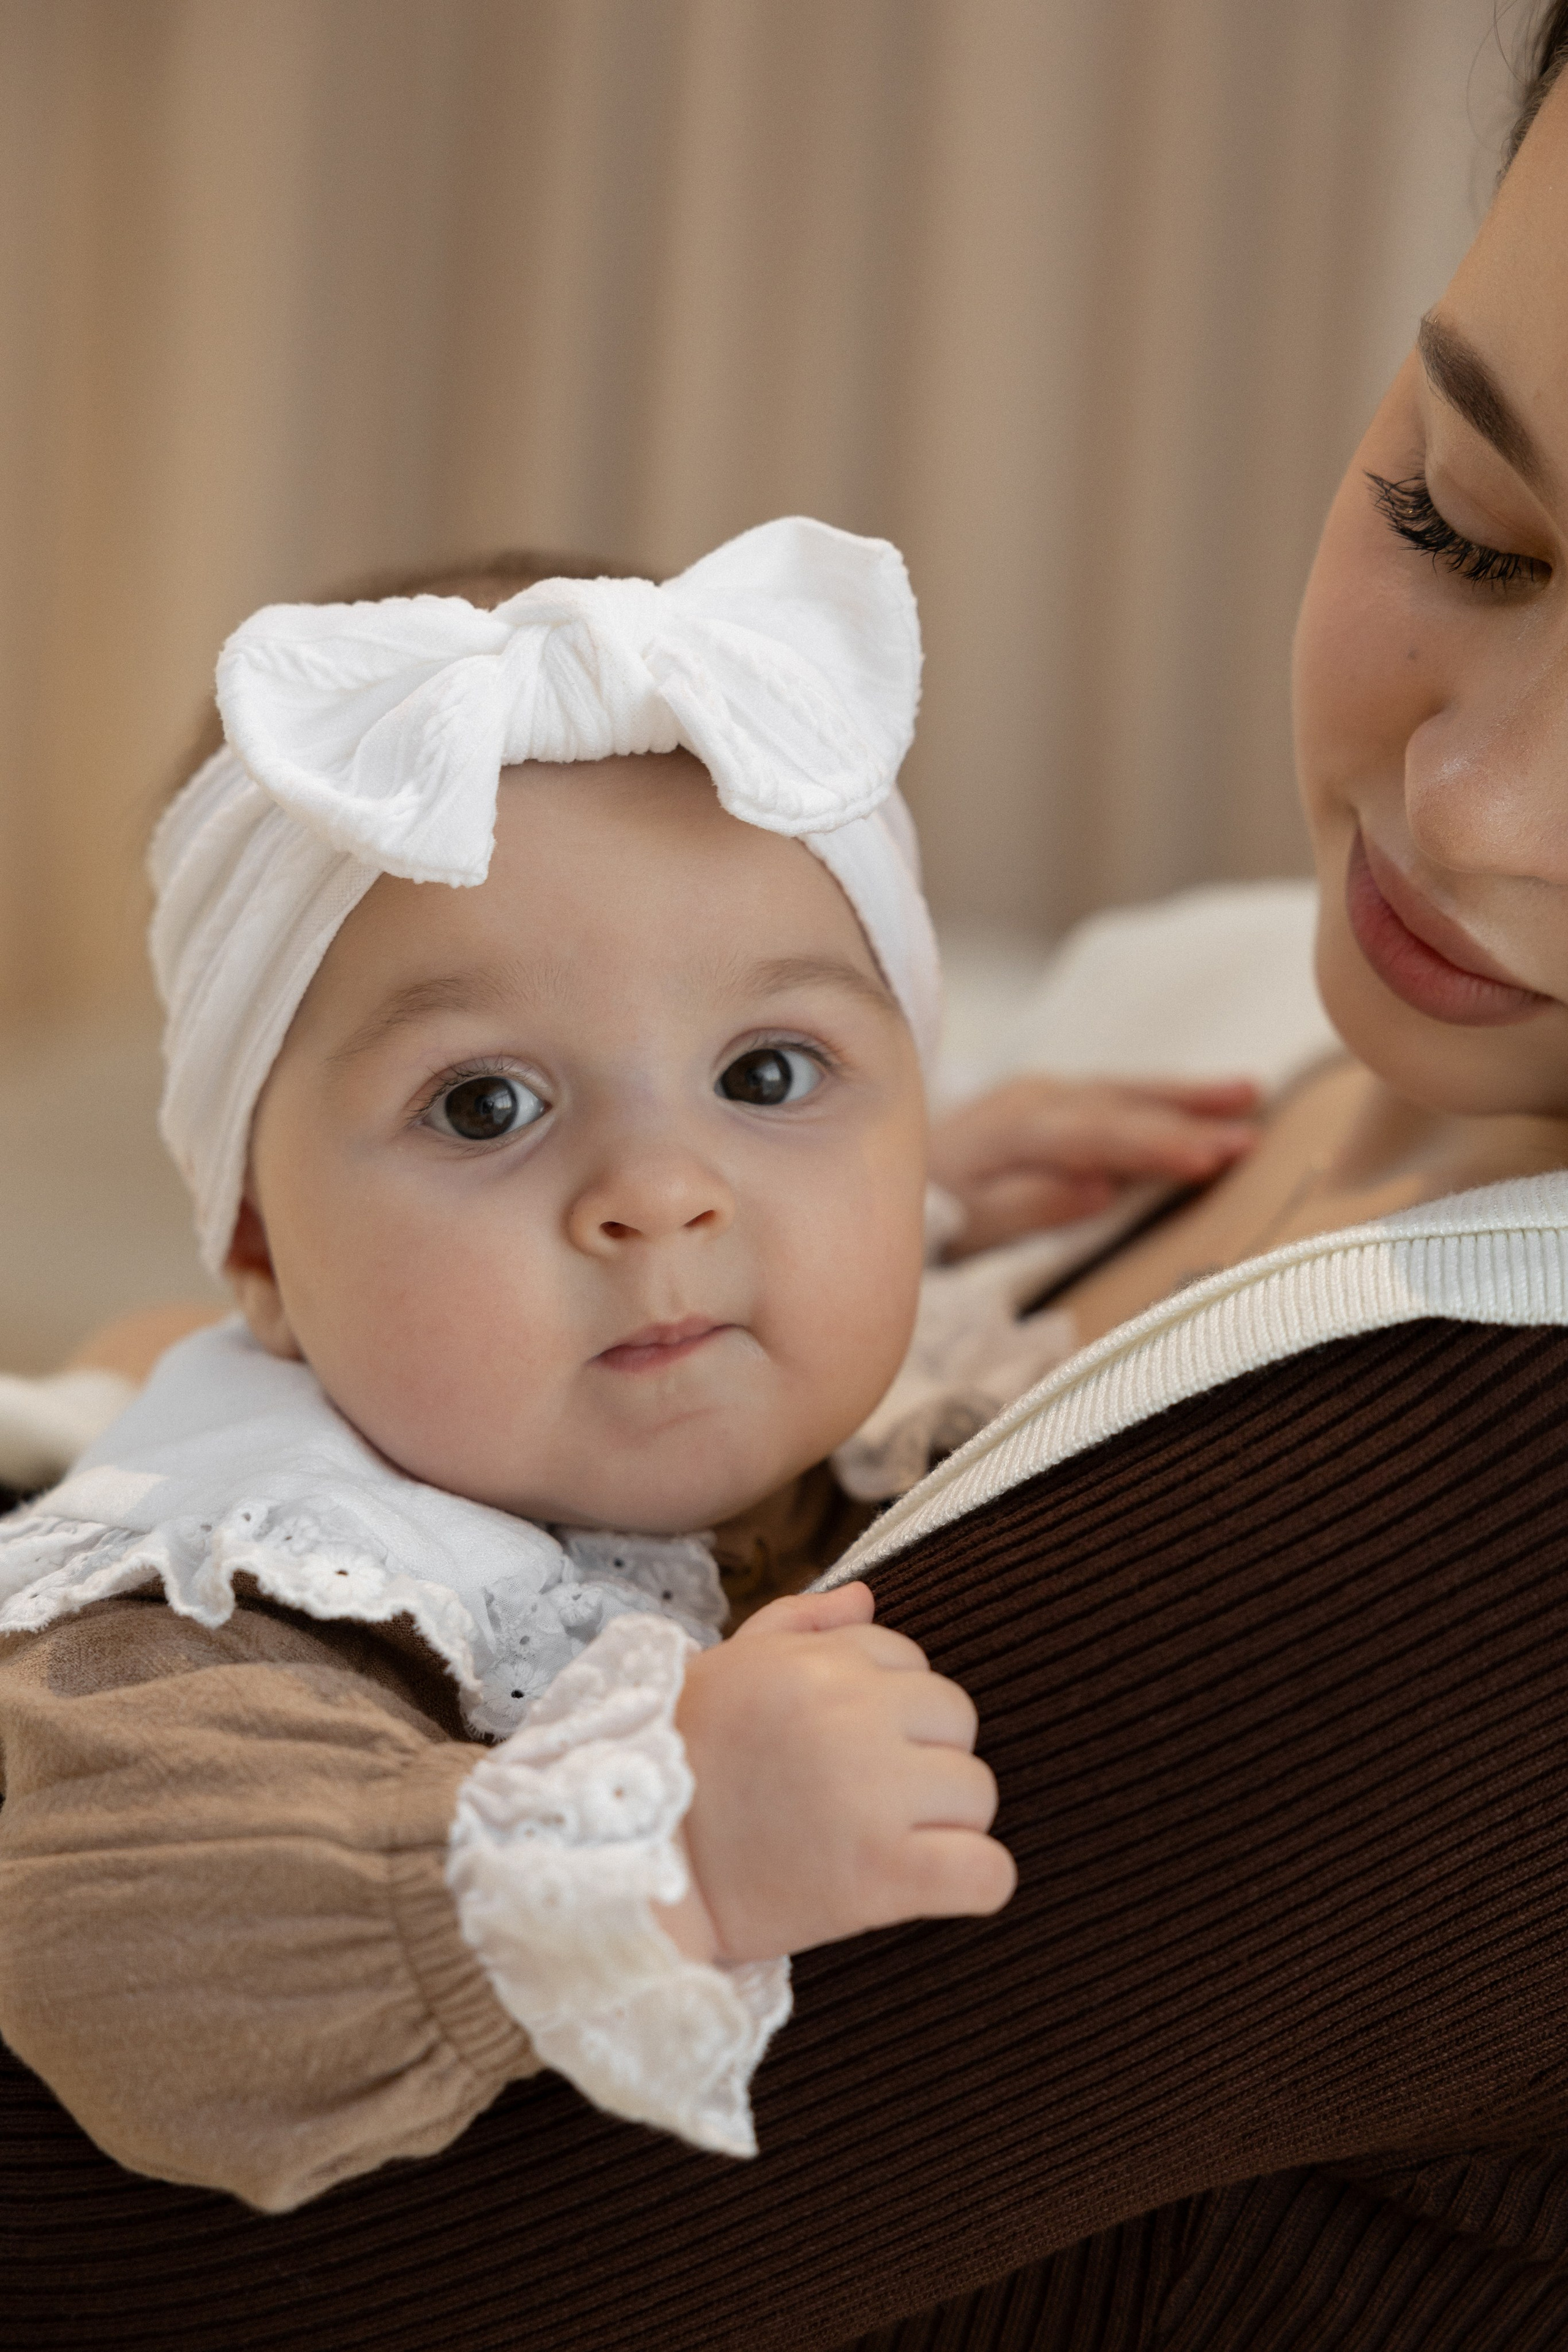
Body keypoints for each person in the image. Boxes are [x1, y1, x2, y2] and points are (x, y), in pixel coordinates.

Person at [7, 11, 1568, 2347]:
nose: (1470, 815)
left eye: (772, 1075)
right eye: (1458, 515)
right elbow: (128, 1905)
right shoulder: (1213, 1010)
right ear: (255, 1240)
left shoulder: (1476, 1526)